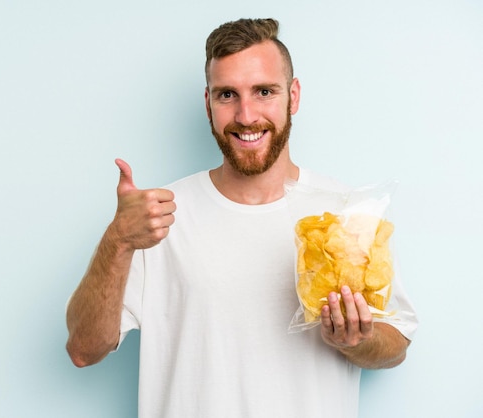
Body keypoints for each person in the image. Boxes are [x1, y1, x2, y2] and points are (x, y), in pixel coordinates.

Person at [66, 18, 417, 418]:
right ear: (208, 103)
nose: (246, 115)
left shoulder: (343, 213)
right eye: (227, 95)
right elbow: (83, 349)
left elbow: (397, 344)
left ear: (294, 95)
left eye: (264, 91)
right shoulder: (157, 217)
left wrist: (356, 341)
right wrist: (118, 240)